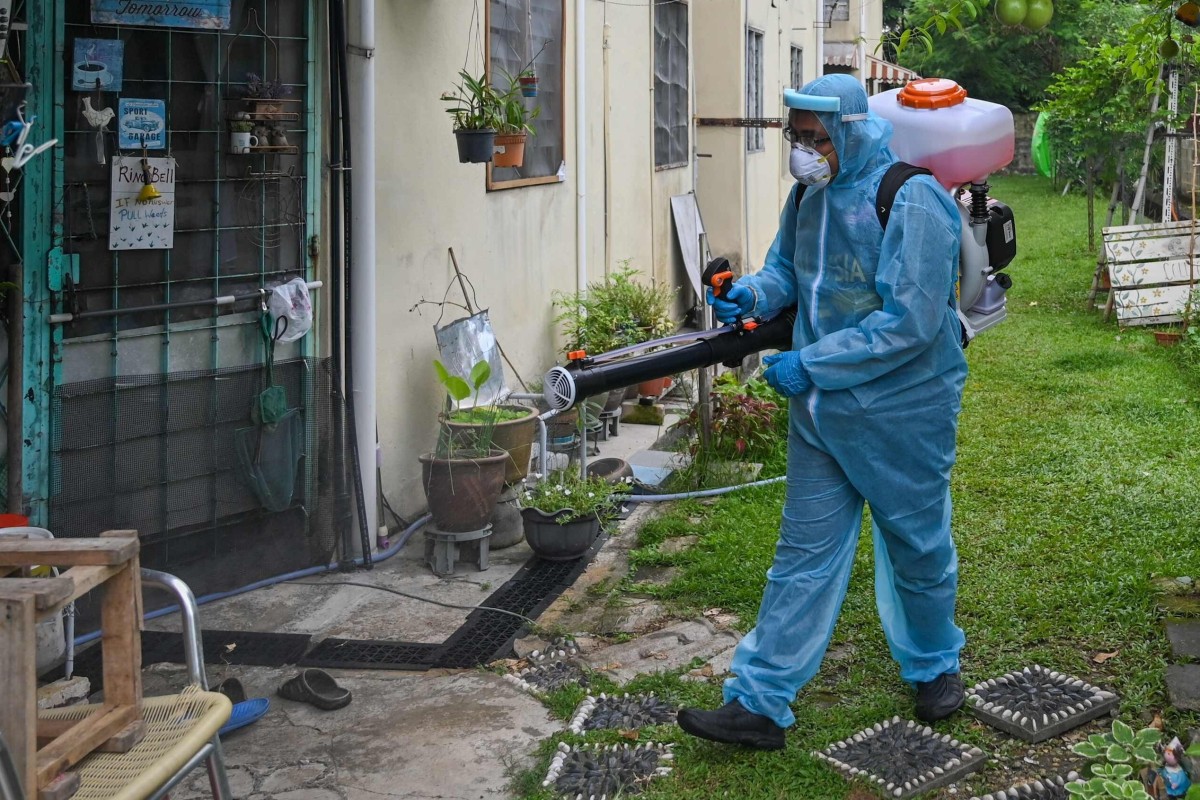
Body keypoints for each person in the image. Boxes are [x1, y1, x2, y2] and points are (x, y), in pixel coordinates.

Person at [677, 73, 969, 750]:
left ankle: (933, 664)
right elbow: (789, 271)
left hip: (902, 413)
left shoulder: (911, 199)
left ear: (851, 131)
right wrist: (751, 296)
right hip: (822, 414)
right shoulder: (808, 195)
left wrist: (812, 362)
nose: (803, 151)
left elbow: (912, 324)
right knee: (801, 556)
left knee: (917, 546)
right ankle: (760, 701)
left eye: (817, 139)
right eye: (797, 137)